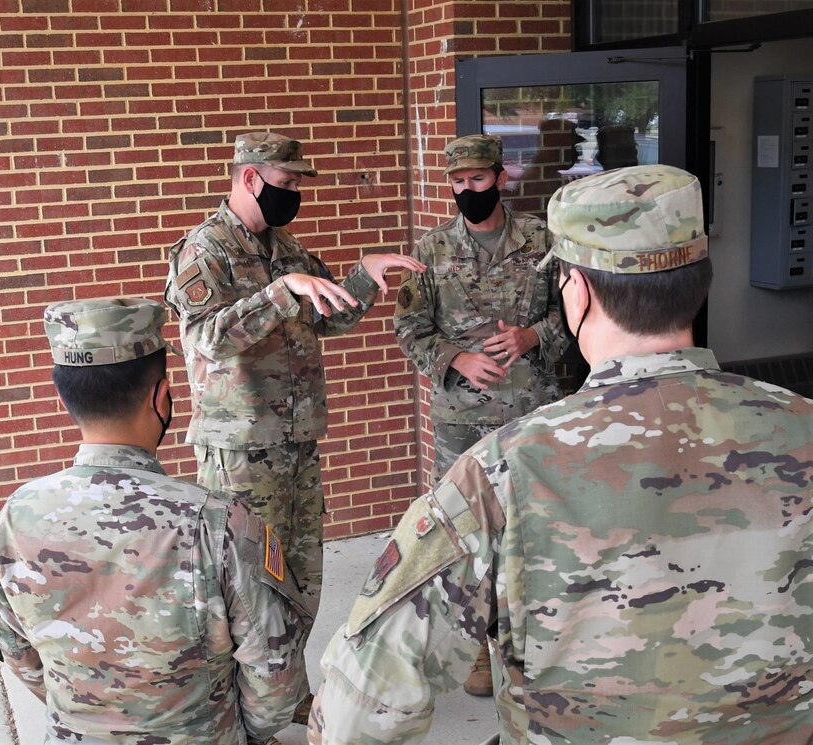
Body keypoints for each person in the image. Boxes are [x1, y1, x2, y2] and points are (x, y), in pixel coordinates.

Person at [308, 164, 813, 744]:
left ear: (577, 293)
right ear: (700, 281)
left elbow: (355, 715)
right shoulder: (802, 426)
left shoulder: (500, 475)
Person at [164, 131, 424, 717]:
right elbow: (206, 339)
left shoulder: (286, 248)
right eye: (286, 183)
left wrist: (365, 275)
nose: (295, 194)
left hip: (298, 441)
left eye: (299, 184)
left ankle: (283, 694)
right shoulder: (205, 250)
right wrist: (280, 293)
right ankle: (236, 708)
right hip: (241, 448)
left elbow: (328, 317)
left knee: (300, 578)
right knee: (244, 585)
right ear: (250, 178)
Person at [0, 297, 313, 745]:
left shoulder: (15, 516)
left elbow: (18, 654)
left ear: (65, 398)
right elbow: (276, 677)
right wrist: (235, 732)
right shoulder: (217, 523)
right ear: (162, 397)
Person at [393, 133, 568, 696]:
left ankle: (528, 642)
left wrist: (531, 336)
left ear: (500, 177)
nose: (467, 189)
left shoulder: (542, 240)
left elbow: (573, 314)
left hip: (531, 412)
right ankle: (474, 648)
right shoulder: (431, 250)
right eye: (458, 181)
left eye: (478, 178)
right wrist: (456, 358)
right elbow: (409, 329)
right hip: (460, 419)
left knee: (531, 528)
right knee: (464, 533)